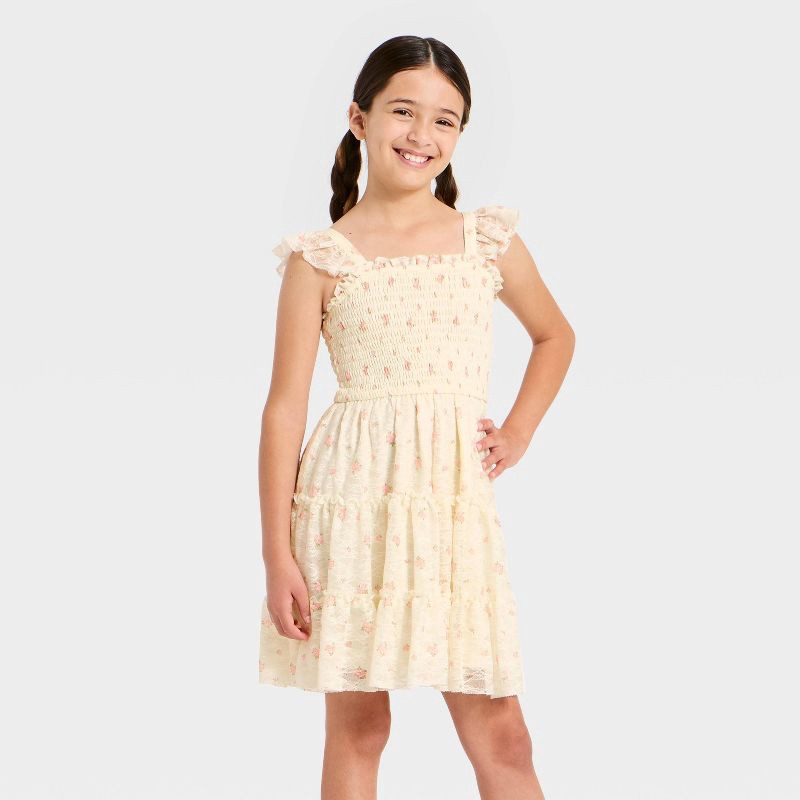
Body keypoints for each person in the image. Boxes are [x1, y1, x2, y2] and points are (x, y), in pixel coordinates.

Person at [258, 35, 574, 800]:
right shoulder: (320, 258)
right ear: (359, 119)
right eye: (403, 111)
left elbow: (555, 336)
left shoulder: (484, 242)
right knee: (359, 729)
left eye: (445, 120)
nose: (422, 134)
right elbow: (284, 409)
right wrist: (277, 555)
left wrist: (519, 431)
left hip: (452, 509)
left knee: (504, 733)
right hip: (349, 507)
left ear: (460, 134)